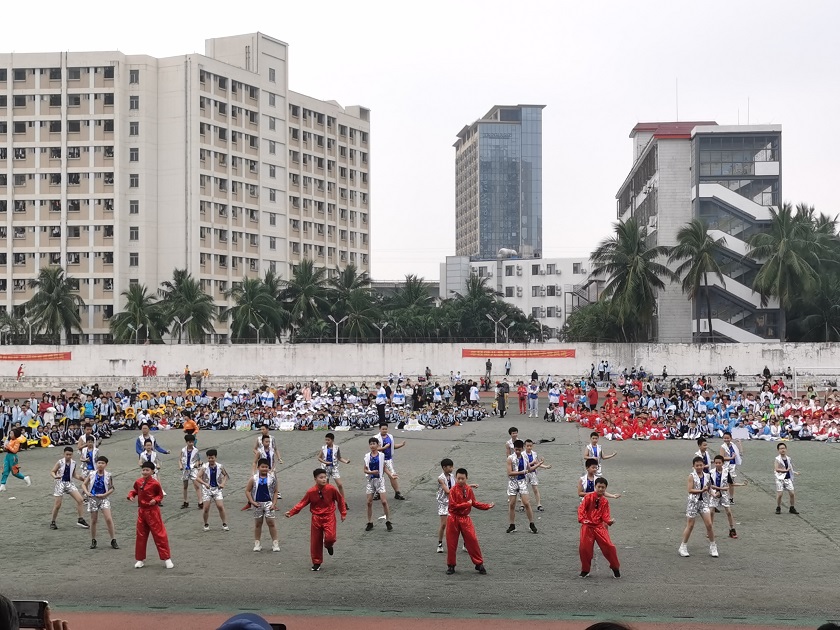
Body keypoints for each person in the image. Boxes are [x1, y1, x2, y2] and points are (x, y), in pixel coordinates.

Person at [285, 468, 347, 571]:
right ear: (315, 479)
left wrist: (343, 513)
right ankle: (316, 562)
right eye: (321, 477)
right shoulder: (311, 492)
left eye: (325, 477)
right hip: (316, 517)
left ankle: (328, 545)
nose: (323, 479)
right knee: (315, 541)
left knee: (330, 537)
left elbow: (340, 500)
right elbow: (302, 503)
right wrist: (291, 512)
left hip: (329, 516)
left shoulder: (331, 489)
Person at [445, 467, 494, 575]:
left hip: (465, 518)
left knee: (472, 540)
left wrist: (486, 506)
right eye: (459, 478)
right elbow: (453, 506)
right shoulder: (453, 490)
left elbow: (474, 503)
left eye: (462, 478)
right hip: (453, 518)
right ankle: (451, 565)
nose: (460, 481)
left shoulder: (469, 489)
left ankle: (479, 564)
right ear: (456, 478)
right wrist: (467, 504)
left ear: (466, 478)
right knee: (451, 543)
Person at [128, 460, 174, 569]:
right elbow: (134, 491)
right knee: (141, 535)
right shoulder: (138, 482)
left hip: (153, 511)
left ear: (152, 471)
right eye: (143, 470)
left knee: (159, 534)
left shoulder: (155, 483)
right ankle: (140, 559)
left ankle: (167, 558)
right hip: (142, 511)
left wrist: (156, 500)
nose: (145, 472)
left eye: (147, 470)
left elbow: (160, 494)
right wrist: (131, 495)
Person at [578, 477, 621, 578]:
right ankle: (585, 569)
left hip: (599, 526)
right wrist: (583, 519)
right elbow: (581, 509)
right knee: (584, 548)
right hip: (587, 526)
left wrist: (609, 521)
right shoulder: (588, 497)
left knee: (609, 546)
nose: (601, 489)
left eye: (603, 487)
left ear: (605, 488)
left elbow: (605, 515)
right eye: (599, 487)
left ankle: (615, 567)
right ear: (595, 487)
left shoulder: (605, 501)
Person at [678, 456, 718, 558]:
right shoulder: (691, 476)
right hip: (693, 503)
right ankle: (683, 546)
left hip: (704, 502)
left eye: (701, 465)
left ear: (704, 465)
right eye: (697, 465)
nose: (699, 467)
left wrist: (713, 493)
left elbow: (709, 488)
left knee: (709, 524)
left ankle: (713, 546)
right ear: (693, 466)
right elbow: (690, 490)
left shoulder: (707, 476)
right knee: (690, 525)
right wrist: (702, 491)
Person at [506, 440, 542, 533]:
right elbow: (509, 473)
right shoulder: (510, 458)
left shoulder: (525, 457)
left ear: (522, 449)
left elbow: (529, 469)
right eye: (516, 449)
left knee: (526, 503)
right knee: (512, 504)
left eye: (519, 450)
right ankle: (512, 525)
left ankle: (532, 524)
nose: (517, 451)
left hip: (522, 481)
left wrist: (538, 464)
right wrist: (522, 472)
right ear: (514, 448)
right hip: (513, 482)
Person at [50, 446, 90, 530]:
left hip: (69, 483)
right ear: (64, 454)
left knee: (80, 500)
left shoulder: (73, 463)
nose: (68, 456)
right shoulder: (60, 462)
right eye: (67, 454)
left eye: (70, 455)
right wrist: (55, 476)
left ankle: (81, 519)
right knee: (58, 505)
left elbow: (74, 474)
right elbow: (53, 471)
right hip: (60, 483)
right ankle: (53, 521)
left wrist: (82, 478)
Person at [83, 455, 119, 550]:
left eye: (102, 463)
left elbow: (112, 488)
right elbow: (84, 484)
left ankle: (113, 539)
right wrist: (87, 493)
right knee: (94, 520)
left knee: (108, 518)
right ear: (96, 464)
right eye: (99, 463)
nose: (100, 465)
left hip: (104, 498)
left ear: (106, 465)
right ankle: (93, 540)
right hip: (93, 499)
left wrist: (105, 495)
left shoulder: (108, 475)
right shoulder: (91, 474)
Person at [245, 458, 280, 552]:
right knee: (258, 524)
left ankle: (275, 543)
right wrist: (252, 501)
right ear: (258, 467)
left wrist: (274, 503)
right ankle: (257, 543)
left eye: (266, 467)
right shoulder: (253, 478)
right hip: (257, 503)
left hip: (269, 503)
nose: (264, 469)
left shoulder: (272, 478)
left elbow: (276, 491)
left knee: (271, 523)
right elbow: (247, 491)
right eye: (262, 467)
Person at [363, 437, 393, 532]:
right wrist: (371, 472)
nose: (372, 446)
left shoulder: (381, 455)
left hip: (380, 480)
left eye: (374, 444)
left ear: (377, 445)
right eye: (370, 444)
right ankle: (370, 522)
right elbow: (364, 469)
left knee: (384, 501)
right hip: (370, 480)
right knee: (369, 502)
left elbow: (384, 468)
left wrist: (391, 475)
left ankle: (388, 521)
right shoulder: (367, 456)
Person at [196, 449, 229, 532]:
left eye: (212, 458)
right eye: (209, 458)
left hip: (217, 489)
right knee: (206, 508)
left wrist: (223, 484)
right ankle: (206, 524)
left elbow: (225, 475)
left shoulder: (220, 466)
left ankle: (224, 523)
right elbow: (197, 477)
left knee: (220, 506)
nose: (211, 460)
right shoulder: (204, 467)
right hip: (207, 490)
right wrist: (205, 483)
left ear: (216, 457)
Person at [709, 455, 738, 539]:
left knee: (728, 512)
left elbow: (731, 483)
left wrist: (742, 484)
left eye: (719, 463)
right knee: (711, 512)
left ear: (722, 463)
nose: (717, 464)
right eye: (716, 463)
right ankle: (709, 529)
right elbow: (709, 485)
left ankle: (732, 529)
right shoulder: (711, 472)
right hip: (714, 494)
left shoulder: (726, 472)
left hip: (724, 494)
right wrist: (712, 493)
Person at [318, 433, 350, 507]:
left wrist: (346, 461)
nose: (326, 441)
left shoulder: (336, 448)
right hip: (325, 468)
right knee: (326, 486)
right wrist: (325, 462)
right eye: (326, 440)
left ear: (332, 440)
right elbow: (319, 457)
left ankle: (343, 501)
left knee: (340, 484)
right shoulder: (323, 448)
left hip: (334, 467)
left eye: (328, 440)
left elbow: (339, 457)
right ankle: (328, 501)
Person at [376, 422, 406, 500]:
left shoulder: (390, 436)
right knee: (378, 477)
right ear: (379, 429)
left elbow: (393, 447)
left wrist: (401, 445)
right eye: (383, 429)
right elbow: (375, 448)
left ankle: (397, 492)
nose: (384, 430)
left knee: (392, 476)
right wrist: (384, 447)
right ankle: (378, 492)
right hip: (379, 460)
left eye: (386, 429)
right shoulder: (376, 438)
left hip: (388, 459)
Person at [523, 439, 551, 511]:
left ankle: (539, 504)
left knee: (535, 489)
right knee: (523, 489)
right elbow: (524, 465)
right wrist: (533, 462)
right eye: (527, 446)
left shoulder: (534, 453)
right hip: (525, 473)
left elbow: (537, 463)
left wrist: (545, 466)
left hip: (533, 473)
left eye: (530, 446)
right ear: (524, 446)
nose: (529, 447)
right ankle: (522, 505)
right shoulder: (522, 454)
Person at [1, 427, 32, 491]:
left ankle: (25, 478)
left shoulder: (17, 441)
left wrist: (8, 446)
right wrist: (5, 448)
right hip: (7, 456)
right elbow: (8, 449)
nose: (10, 435)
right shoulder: (11, 440)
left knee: (15, 472)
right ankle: (2, 484)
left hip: (13, 457)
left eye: (11, 434)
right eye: (10, 434)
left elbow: (15, 450)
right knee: (5, 471)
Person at [436, 458, 456, 553]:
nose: (452, 468)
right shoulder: (441, 478)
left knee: (457, 524)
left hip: (452, 502)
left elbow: (457, 485)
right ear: (444, 467)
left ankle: (464, 543)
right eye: (450, 467)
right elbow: (447, 491)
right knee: (443, 524)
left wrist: (469, 486)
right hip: (443, 503)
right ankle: (440, 543)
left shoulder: (452, 476)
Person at [774, 442, 799, 514]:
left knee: (792, 493)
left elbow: (789, 467)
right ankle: (778, 507)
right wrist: (785, 470)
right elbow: (776, 469)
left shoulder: (788, 458)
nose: (783, 450)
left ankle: (792, 507)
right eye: (781, 449)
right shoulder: (777, 459)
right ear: (778, 450)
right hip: (780, 478)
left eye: (784, 448)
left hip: (787, 478)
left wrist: (794, 472)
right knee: (780, 494)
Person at [179, 434, 202, 509]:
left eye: (192, 442)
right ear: (186, 442)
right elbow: (180, 459)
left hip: (193, 469)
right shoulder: (183, 450)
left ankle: (200, 502)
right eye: (189, 442)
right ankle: (185, 501)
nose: (191, 443)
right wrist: (180, 466)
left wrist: (197, 464)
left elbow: (199, 460)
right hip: (185, 469)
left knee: (197, 486)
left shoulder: (196, 450)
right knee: (185, 486)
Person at [720, 432, 742, 503]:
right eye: (725, 438)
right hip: (725, 467)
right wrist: (731, 458)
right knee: (723, 483)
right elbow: (721, 458)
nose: (726, 439)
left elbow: (740, 453)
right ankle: (722, 497)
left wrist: (739, 444)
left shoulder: (733, 445)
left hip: (732, 466)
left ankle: (731, 498)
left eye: (727, 438)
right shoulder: (723, 447)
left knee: (731, 483)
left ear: (731, 438)